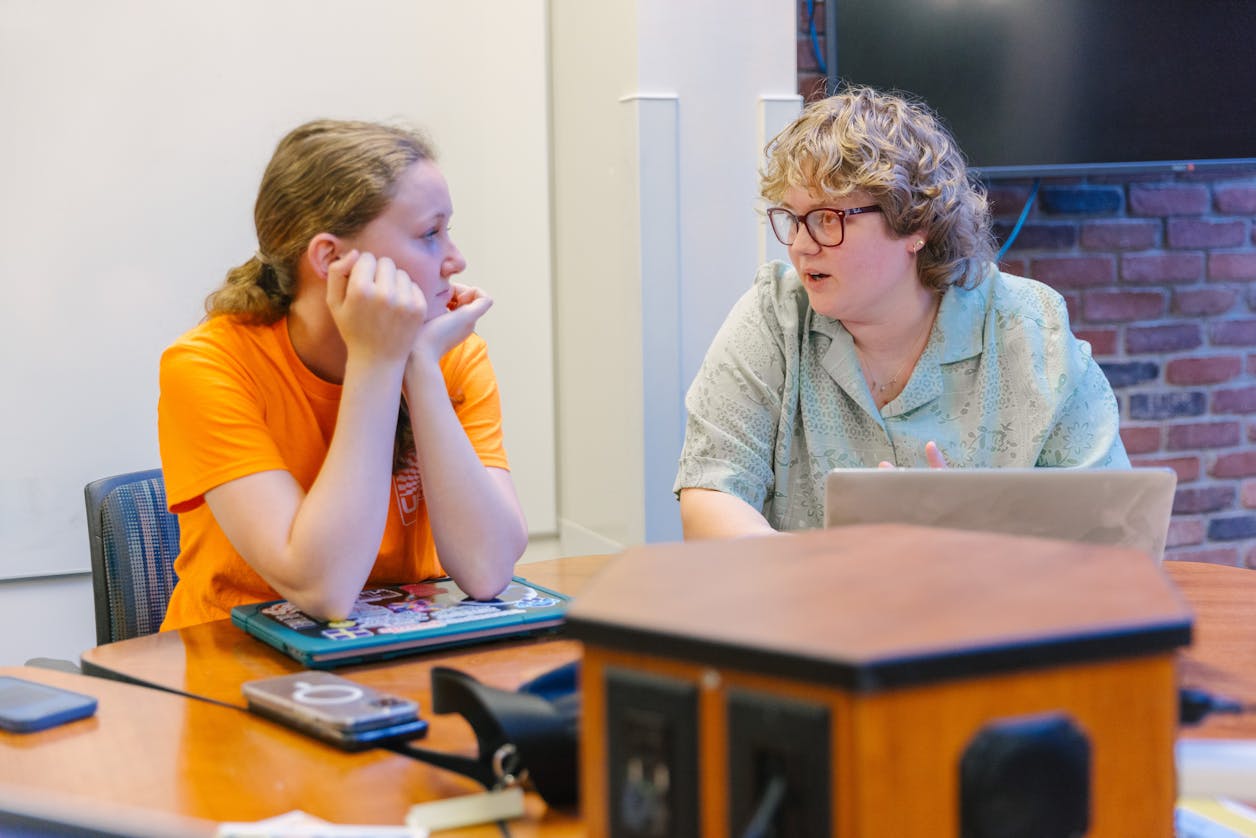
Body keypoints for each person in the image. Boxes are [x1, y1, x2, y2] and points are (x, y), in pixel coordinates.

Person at [674, 86, 1128, 540]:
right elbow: (712, 493)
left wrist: (979, 541)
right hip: (811, 588)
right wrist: (830, 566)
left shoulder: (1030, 328)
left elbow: (1110, 522)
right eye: (794, 218)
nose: (801, 245)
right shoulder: (774, 317)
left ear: (915, 225)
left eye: (828, 219)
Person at [158, 119, 527, 629]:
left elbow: (488, 571)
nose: (455, 260)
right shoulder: (208, 366)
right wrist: (377, 363)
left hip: (398, 652)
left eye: (449, 230)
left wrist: (418, 366)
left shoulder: (447, 352)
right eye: (429, 233)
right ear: (331, 257)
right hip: (235, 656)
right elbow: (323, 590)